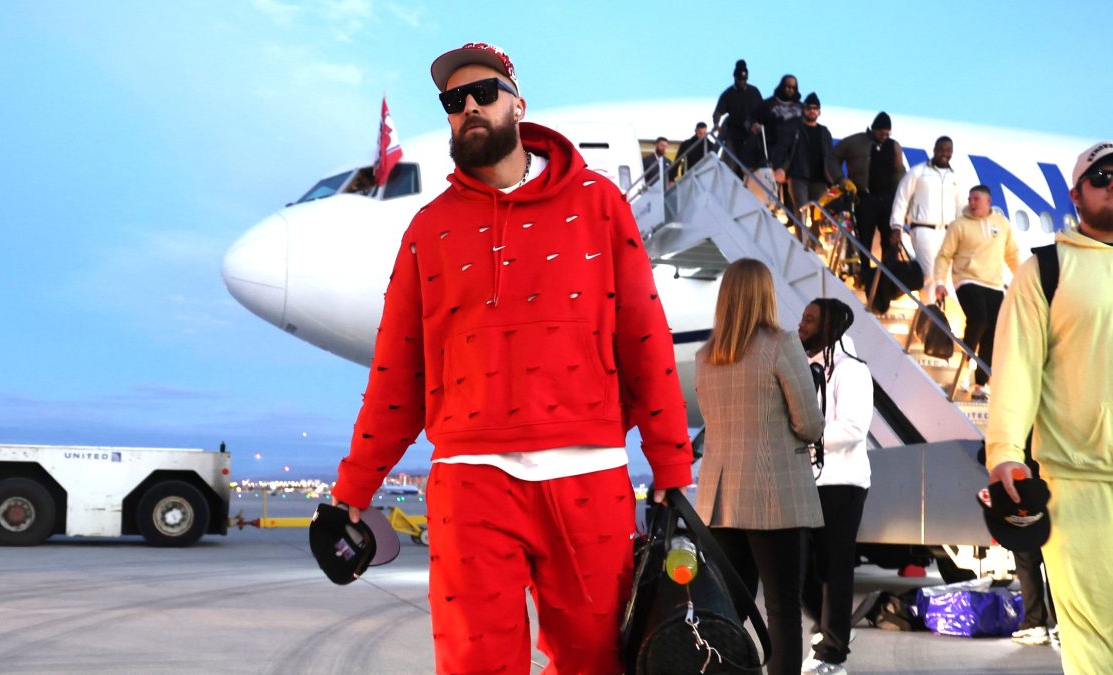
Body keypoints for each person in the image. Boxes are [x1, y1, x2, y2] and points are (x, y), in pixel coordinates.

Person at [328, 42, 694, 674]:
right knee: (474, 666)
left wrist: (670, 463)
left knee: (596, 663)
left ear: (517, 104)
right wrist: (352, 489)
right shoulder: (428, 230)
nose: (468, 106)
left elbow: (645, 338)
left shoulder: (599, 204)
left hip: (589, 473)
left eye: (484, 93)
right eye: (453, 100)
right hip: (470, 478)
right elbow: (397, 375)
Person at [986, 141, 1113, 673]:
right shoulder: (1045, 271)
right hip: (1078, 483)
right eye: (1102, 175)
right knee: (1094, 643)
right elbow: (1016, 370)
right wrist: (1005, 451)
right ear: (1076, 193)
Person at [694, 258, 825, 675]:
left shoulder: (705, 356)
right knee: (783, 606)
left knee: (729, 606)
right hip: (775, 496)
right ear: (766, 294)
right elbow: (809, 424)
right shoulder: (782, 345)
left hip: (720, 498)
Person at [797, 298, 873, 675]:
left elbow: (854, 428)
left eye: (809, 319)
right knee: (802, 568)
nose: (801, 325)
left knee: (834, 568)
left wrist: (807, 438)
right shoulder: (806, 369)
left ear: (830, 326)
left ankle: (833, 654)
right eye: (802, 318)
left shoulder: (852, 370)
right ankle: (832, 628)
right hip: (810, 481)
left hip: (843, 482)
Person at [933, 184, 1020, 399]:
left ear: (988, 202)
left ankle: (981, 382)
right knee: (979, 319)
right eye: (970, 199)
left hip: (994, 284)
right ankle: (964, 369)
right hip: (967, 280)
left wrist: (1023, 279)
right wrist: (939, 281)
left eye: (976, 199)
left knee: (992, 332)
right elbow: (944, 255)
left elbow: (1012, 255)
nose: (971, 203)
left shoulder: (1002, 225)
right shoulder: (959, 225)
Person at [890, 136, 969, 303]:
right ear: (934, 149)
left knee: (945, 277)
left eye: (948, 150)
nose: (944, 154)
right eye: (941, 150)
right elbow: (902, 198)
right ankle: (929, 314)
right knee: (930, 274)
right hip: (923, 230)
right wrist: (896, 226)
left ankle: (939, 315)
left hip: (948, 232)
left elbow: (961, 209)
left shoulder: (955, 178)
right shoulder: (918, 172)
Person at [833, 112, 907, 284]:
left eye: (888, 133)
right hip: (865, 198)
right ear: (874, 129)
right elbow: (833, 156)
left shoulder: (894, 146)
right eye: (882, 132)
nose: (884, 136)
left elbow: (899, 173)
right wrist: (840, 179)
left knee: (888, 239)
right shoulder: (856, 142)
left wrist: (900, 200)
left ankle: (887, 278)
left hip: (887, 200)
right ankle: (864, 276)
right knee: (864, 238)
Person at [773, 92, 843, 211]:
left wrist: (835, 179)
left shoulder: (824, 132)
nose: (812, 111)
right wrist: (780, 168)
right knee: (801, 210)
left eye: (815, 108)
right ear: (803, 110)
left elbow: (830, 157)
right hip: (798, 176)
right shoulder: (794, 128)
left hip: (820, 179)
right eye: (809, 108)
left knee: (819, 213)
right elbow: (783, 149)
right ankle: (801, 230)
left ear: (819, 112)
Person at [713, 59, 763, 174]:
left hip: (751, 134)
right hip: (733, 133)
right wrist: (716, 124)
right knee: (730, 163)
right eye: (739, 79)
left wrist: (759, 124)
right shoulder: (728, 94)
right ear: (734, 77)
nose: (742, 82)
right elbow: (718, 112)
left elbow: (762, 110)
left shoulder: (754, 92)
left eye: (744, 79)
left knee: (751, 164)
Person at [747, 74, 804, 172]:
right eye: (788, 86)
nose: (790, 90)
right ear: (782, 86)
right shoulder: (768, 104)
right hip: (770, 152)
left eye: (793, 88)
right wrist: (754, 125)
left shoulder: (801, 107)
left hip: (795, 155)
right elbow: (750, 120)